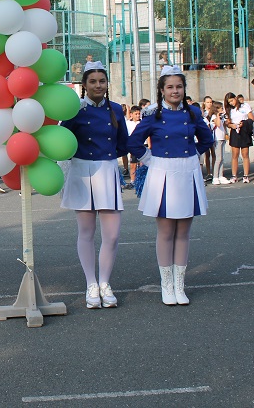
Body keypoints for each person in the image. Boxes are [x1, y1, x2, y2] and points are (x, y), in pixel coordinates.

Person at [127, 66, 214, 306]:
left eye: (179, 86)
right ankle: (166, 285)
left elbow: (207, 139)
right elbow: (133, 142)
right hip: (162, 174)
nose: (175, 91)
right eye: (170, 87)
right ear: (162, 90)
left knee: (184, 232)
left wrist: (193, 154)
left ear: (184, 89)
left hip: (187, 172)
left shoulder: (193, 113)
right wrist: (149, 159)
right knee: (166, 232)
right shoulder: (152, 115)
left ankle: (179, 285)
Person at [60, 62, 128, 309]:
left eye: (102, 81)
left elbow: (123, 143)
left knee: (112, 235)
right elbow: (62, 141)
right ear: (84, 85)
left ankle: (105, 283)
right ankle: (91, 284)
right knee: (86, 233)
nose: (98, 85)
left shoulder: (117, 110)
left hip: (107, 170)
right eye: (93, 81)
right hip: (81, 172)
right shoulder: (74, 111)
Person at [224, 92, 253, 183]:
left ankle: (246, 175)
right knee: (235, 155)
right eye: (229, 102)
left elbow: (251, 118)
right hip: (235, 132)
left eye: (232, 100)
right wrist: (231, 125)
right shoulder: (229, 110)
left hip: (244, 131)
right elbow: (227, 122)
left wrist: (244, 123)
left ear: (235, 98)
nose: (231, 103)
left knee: (245, 154)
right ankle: (234, 175)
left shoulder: (245, 106)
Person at [209, 101, 229, 184]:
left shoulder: (221, 117)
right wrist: (218, 115)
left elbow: (225, 125)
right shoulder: (214, 116)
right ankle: (215, 176)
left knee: (222, 158)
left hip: (222, 138)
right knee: (218, 158)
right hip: (217, 139)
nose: (222, 109)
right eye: (221, 108)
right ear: (216, 109)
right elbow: (218, 124)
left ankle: (221, 175)